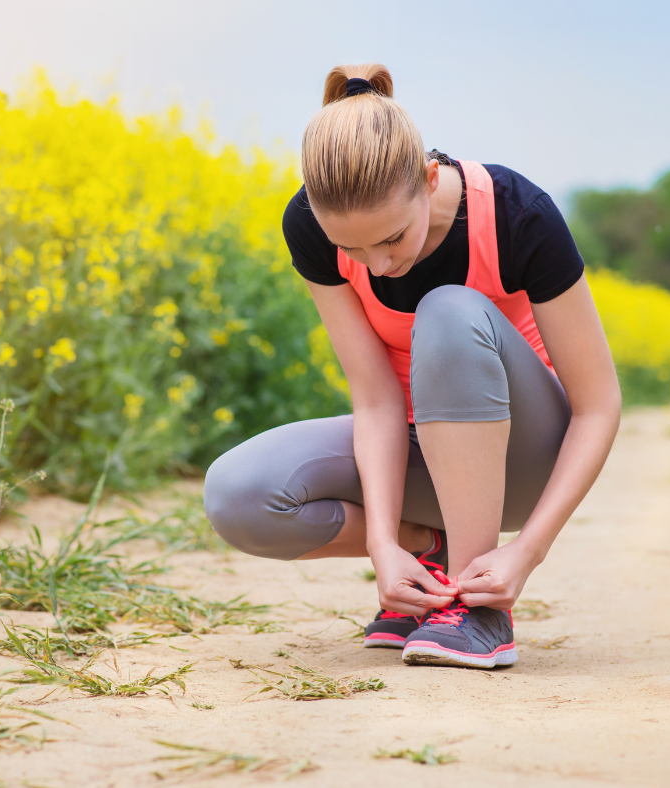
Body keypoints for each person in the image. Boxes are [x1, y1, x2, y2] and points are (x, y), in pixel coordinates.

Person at [203, 64, 621, 669]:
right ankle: (431, 557)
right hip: (420, 450)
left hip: (524, 457)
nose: (376, 265)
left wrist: (527, 552)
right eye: (352, 249)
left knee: (446, 311)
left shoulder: (517, 215)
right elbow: (375, 399)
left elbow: (597, 405)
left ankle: (477, 608)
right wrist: (382, 545)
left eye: (392, 239)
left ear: (429, 180)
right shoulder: (310, 228)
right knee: (239, 495)